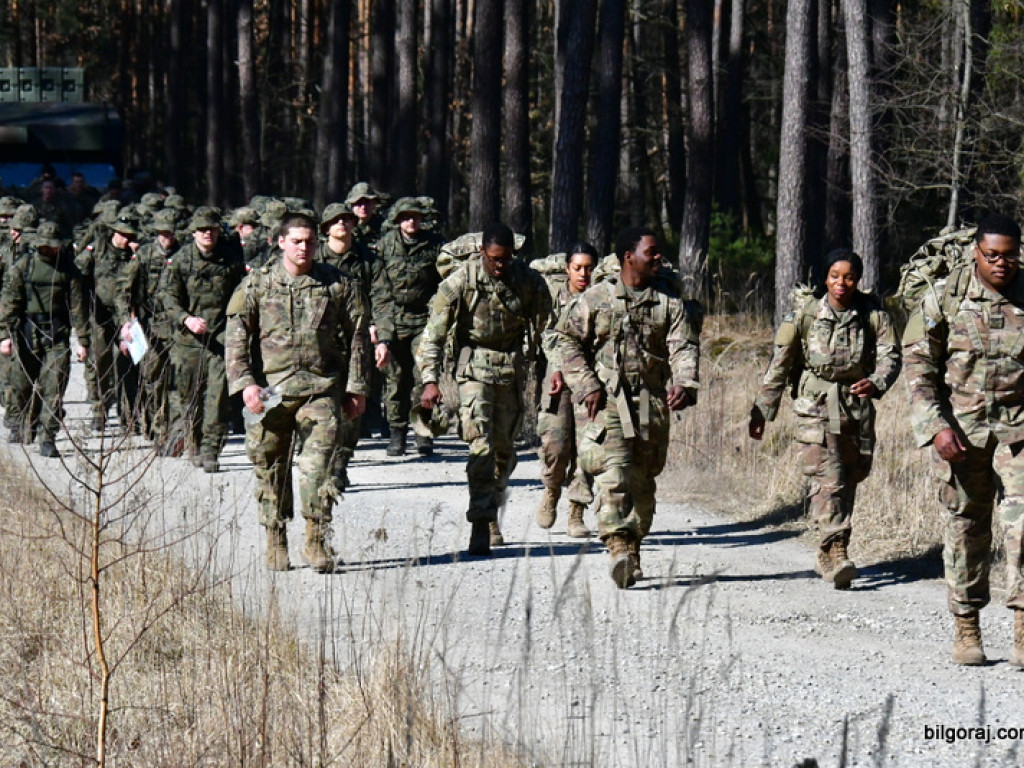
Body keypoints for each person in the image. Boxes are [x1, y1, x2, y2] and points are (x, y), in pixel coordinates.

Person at [903, 212, 1024, 667]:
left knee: (1023, 527)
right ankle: (967, 627)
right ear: (976, 251)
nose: (1001, 264)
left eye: (1010, 256)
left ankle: (1022, 628)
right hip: (961, 433)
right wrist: (935, 426)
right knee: (965, 528)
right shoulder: (944, 298)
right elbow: (918, 371)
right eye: (992, 255)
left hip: (1018, 430)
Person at [555, 226, 701, 588]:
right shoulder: (596, 299)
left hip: (651, 404)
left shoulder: (669, 305)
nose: (658, 258)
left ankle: (633, 544)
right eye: (651, 252)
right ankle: (617, 545)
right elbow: (566, 341)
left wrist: (684, 382)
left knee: (643, 482)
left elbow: (683, 347)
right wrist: (587, 384)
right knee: (613, 474)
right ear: (628, 257)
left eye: (659, 253)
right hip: (607, 402)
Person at [749, 248, 901, 590]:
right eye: (835, 276)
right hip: (815, 408)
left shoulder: (873, 314)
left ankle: (828, 549)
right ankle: (837, 550)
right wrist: (762, 409)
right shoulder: (804, 315)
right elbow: (780, 363)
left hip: (857, 408)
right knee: (827, 477)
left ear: (858, 279)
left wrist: (877, 382)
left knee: (850, 475)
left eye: (848, 277)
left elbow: (892, 356)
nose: (841, 283)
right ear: (825, 278)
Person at [226, 212, 370, 572]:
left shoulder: (336, 285)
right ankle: (275, 538)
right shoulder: (257, 285)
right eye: (296, 241)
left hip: (320, 390)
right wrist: (245, 383)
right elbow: (236, 336)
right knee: (269, 464)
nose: (304, 248)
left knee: (317, 466)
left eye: (309, 241)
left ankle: (316, 539)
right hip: (272, 391)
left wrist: (356, 387)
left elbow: (358, 336)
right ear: (281, 242)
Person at [418, 222, 552, 555]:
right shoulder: (460, 282)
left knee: (505, 453)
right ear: (482, 253)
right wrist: (430, 380)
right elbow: (433, 334)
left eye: (506, 258)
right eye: (494, 259)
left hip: (511, 371)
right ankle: (481, 520)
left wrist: (557, 369)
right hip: (473, 370)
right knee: (481, 444)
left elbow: (550, 327)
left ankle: (492, 506)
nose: (500, 265)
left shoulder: (529, 282)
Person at [161, 206, 245, 471]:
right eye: (202, 230)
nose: (208, 234)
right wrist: (186, 318)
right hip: (189, 341)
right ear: (194, 233)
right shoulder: (181, 260)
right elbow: (168, 298)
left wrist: (238, 323)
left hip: (221, 337)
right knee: (190, 396)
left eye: (212, 229)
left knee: (218, 397)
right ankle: (194, 442)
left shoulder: (230, 259)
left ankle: (212, 449)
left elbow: (242, 292)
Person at [0, 220, 90, 456]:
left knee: (55, 387)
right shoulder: (24, 267)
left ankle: (48, 437)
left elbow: (78, 307)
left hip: (57, 334)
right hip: (27, 331)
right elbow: (9, 303)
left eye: (53, 246)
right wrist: (4, 335)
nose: (49, 250)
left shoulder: (69, 270)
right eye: (46, 246)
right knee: (21, 385)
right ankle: (20, 423)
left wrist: (83, 340)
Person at [372, 197, 444, 457]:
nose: (411, 221)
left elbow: (443, 282)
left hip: (423, 319)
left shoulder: (434, 245)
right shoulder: (385, 246)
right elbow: (379, 289)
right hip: (393, 317)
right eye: (405, 217)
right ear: (398, 219)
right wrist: (380, 328)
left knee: (423, 376)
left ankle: (423, 431)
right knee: (395, 379)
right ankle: (397, 432)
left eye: (415, 216)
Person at [535, 243, 598, 538]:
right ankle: (551, 490)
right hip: (557, 373)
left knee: (587, 447)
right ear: (567, 269)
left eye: (588, 267)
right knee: (555, 444)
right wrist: (557, 366)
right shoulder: (553, 295)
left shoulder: (601, 296)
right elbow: (546, 333)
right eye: (578, 268)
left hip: (590, 377)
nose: (583, 273)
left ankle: (577, 510)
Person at [75, 208, 140, 431]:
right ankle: (99, 409)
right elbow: (79, 271)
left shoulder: (135, 254)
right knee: (100, 362)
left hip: (126, 314)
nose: (125, 239)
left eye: (130, 235)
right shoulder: (99, 248)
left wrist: (136, 255)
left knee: (127, 363)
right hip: (100, 313)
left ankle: (128, 414)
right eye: (122, 234)